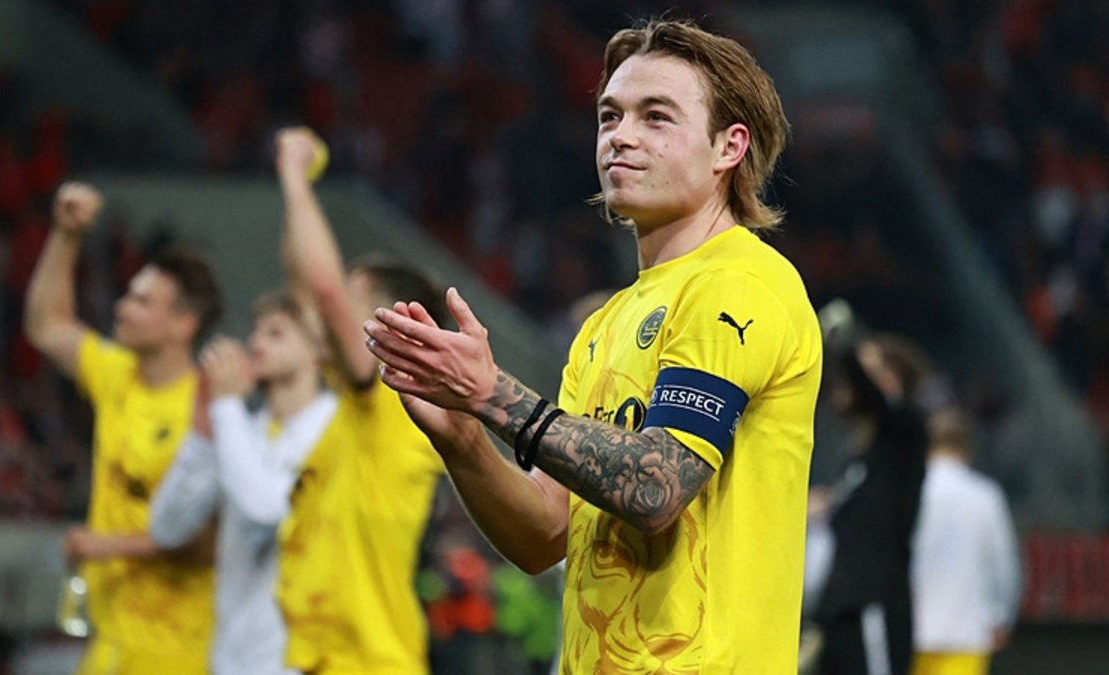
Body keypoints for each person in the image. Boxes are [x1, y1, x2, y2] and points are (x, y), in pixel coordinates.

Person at [365, 18, 822, 674]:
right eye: (610, 116)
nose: (620, 136)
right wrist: (464, 439)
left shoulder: (740, 283)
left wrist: (494, 395)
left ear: (729, 146)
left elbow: (656, 487)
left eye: (656, 116)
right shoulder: (604, 323)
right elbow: (545, 534)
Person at [24, 181, 222, 674]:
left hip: (176, 651)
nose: (121, 307)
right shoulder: (119, 375)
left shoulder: (207, 412)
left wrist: (106, 545)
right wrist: (66, 235)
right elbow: (46, 325)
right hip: (110, 643)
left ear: (183, 324)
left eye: (141, 301)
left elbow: (211, 543)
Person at [273, 127, 448, 674]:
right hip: (327, 658)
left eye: (353, 299)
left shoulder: (394, 393)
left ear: (392, 324)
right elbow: (308, 286)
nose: (333, 315)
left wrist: (294, 176)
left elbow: (322, 292)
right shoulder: (354, 407)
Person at [149, 293, 337, 675]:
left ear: (319, 351)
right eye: (255, 331)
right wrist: (203, 435)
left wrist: (225, 407)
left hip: (305, 661)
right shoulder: (242, 430)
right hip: (231, 659)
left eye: (276, 333)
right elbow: (167, 528)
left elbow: (266, 513)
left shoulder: (334, 429)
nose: (255, 343)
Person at [813, 320, 931, 675]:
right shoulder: (860, 457)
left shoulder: (906, 435)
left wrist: (844, 345)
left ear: (891, 381)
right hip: (839, 606)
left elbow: (877, 399)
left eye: (868, 372)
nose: (850, 382)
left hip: (873, 601)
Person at [911, 410, 1020, 675]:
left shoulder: (910, 490)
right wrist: (1003, 616)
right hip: (967, 630)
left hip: (912, 628)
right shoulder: (985, 496)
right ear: (968, 446)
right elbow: (1003, 563)